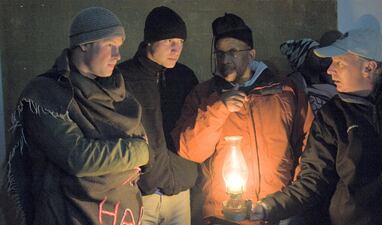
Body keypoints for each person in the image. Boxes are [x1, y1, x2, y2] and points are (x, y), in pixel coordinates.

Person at [4, 7, 149, 225]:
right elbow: (79, 158)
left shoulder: (120, 96)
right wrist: (138, 151)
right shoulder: (46, 94)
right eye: (110, 45)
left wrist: (114, 160)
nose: (118, 55)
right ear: (83, 44)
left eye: (118, 47)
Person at [172, 13, 314, 225]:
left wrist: (291, 197)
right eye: (219, 54)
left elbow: (308, 144)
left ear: (251, 54)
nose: (225, 60)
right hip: (223, 215)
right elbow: (191, 150)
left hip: (275, 210)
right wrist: (219, 107)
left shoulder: (283, 91)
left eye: (233, 52)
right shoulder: (204, 95)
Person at [251, 28, 382, 225]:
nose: (330, 70)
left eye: (339, 62)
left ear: (369, 68)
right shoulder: (333, 116)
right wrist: (268, 208)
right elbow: (313, 181)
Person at [118, 6, 198, 225]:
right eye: (169, 41)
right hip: (141, 194)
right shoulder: (123, 77)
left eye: (181, 42)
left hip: (180, 192)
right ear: (150, 41)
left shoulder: (185, 76)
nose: (176, 49)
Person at [280, 30, 342, 113]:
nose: (321, 56)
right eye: (314, 53)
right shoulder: (292, 87)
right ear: (302, 62)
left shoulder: (338, 83)